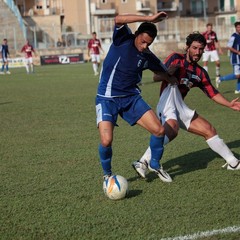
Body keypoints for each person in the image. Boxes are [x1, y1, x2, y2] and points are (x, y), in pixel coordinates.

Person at [132, 32, 240, 183]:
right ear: (188, 47)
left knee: (209, 130)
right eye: (195, 48)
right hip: (167, 101)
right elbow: (156, 76)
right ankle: (143, 161)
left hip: (180, 106)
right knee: (173, 129)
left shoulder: (200, 73)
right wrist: (167, 73)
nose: (198, 52)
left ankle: (234, 163)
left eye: (201, 49)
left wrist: (229, 104)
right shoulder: (176, 58)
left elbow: (212, 93)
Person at [96, 12, 178, 182]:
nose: (144, 46)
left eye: (148, 44)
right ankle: (107, 175)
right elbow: (118, 19)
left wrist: (174, 77)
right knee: (106, 140)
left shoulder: (147, 55)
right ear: (136, 34)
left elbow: (162, 72)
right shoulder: (122, 39)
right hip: (107, 98)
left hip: (130, 98)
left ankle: (154, 164)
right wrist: (149, 18)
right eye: (142, 41)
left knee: (159, 130)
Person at [216, 21, 240, 94]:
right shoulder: (234, 36)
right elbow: (229, 47)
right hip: (235, 58)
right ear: (235, 28)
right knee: (237, 75)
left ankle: (238, 90)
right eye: (238, 27)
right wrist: (238, 52)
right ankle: (220, 79)